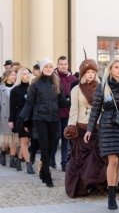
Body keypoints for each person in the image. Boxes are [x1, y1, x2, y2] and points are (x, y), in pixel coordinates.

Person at [85, 58, 119, 209]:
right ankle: (111, 196)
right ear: (110, 69)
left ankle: (114, 189)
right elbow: (95, 109)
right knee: (112, 161)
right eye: (116, 67)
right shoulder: (103, 86)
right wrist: (89, 129)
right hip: (107, 124)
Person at [18, 58, 71, 187]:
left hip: (54, 118)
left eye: (50, 66)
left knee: (53, 145)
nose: (48, 68)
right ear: (42, 69)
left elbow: (62, 102)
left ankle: (42, 168)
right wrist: (22, 118)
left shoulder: (56, 83)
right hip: (40, 118)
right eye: (46, 66)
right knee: (45, 146)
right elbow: (29, 103)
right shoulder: (35, 84)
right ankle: (47, 174)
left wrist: (75, 101)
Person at [64, 57, 108, 198]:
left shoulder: (102, 87)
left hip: (98, 126)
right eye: (87, 72)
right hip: (82, 126)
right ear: (83, 73)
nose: (90, 74)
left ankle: (98, 185)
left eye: (93, 72)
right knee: (80, 159)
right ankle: (80, 187)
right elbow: (74, 109)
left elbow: (104, 108)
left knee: (99, 159)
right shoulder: (76, 89)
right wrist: (71, 125)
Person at [52, 56, 77, 171]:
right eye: (61, 64)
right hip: (55, 113)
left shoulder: (72, 79)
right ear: (57, 65)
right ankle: (51, 158)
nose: (63, 66)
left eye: (65, 64)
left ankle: (64, 162)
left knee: (66, 139)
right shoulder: (53, 78)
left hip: (68, 113)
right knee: (55, 138)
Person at [9, 67, 35, 174]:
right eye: (24, 74)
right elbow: (12, 107)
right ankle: (28, 164)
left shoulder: (33, 87)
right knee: (24, 141)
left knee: (28, 141)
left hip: (32, 116)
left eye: (28, 73)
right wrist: (11, 120)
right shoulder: (15, 90)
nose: (27, 75)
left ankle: (19, 160)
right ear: (20, 76)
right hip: (20, 116)